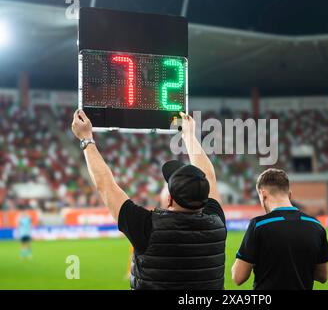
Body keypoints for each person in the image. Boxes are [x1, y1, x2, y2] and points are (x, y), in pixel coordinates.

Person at [71, 110, 226, 290]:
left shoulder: (148, 227)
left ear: (169, 199)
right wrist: (190, 136)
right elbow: (210, 178)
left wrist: (86, 139)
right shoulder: (217, 223)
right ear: (205, 198)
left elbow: (106, 186)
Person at [231, 168, 328, 290]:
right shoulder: (316, 225)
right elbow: (323, 276)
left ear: (263, 194)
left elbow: (238, 277)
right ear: (289, 195)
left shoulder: (259, 225)